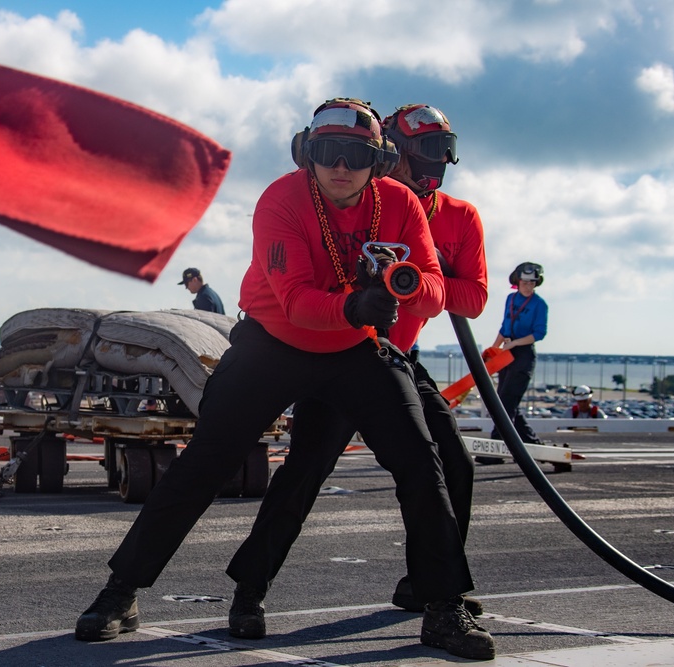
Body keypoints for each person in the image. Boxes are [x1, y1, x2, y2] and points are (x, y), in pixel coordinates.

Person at [75, 98, 495, 661]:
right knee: (204, 464)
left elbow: (442, 290)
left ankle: (443, 606)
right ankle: (120, 593)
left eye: (355, 154)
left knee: (424, 463)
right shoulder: (281, 200)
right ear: (307, 154)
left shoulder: (399, 204)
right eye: (327, 152)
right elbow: (296, 303)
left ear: (379, 160)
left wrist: (405, 287)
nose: (339, 166)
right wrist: (357, 304)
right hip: (274, 342)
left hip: (356, 348)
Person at [225, 103, 489, 632]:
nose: (433, 166)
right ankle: (249, 589)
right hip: (348, 350)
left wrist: (411, 280)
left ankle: (432, 588)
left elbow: (472, 298)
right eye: (425, 154)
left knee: (450, 464)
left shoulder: (457, 217)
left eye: (443, 152)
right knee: (306, 471)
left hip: (400, 359)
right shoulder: (365, 205)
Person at [485, 262, 548, 448]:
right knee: (506, 400)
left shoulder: (540, 304)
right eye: (525, 282)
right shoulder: (510, 299)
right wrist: (493, 349)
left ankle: (497, 445)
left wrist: (515, 343)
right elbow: (504, 327)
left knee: (505, 403)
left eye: (532, 283)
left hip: (523, 354)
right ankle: (531, 442)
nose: (528, 286)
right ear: (518, 281)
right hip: (506, 352)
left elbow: (539, 334)